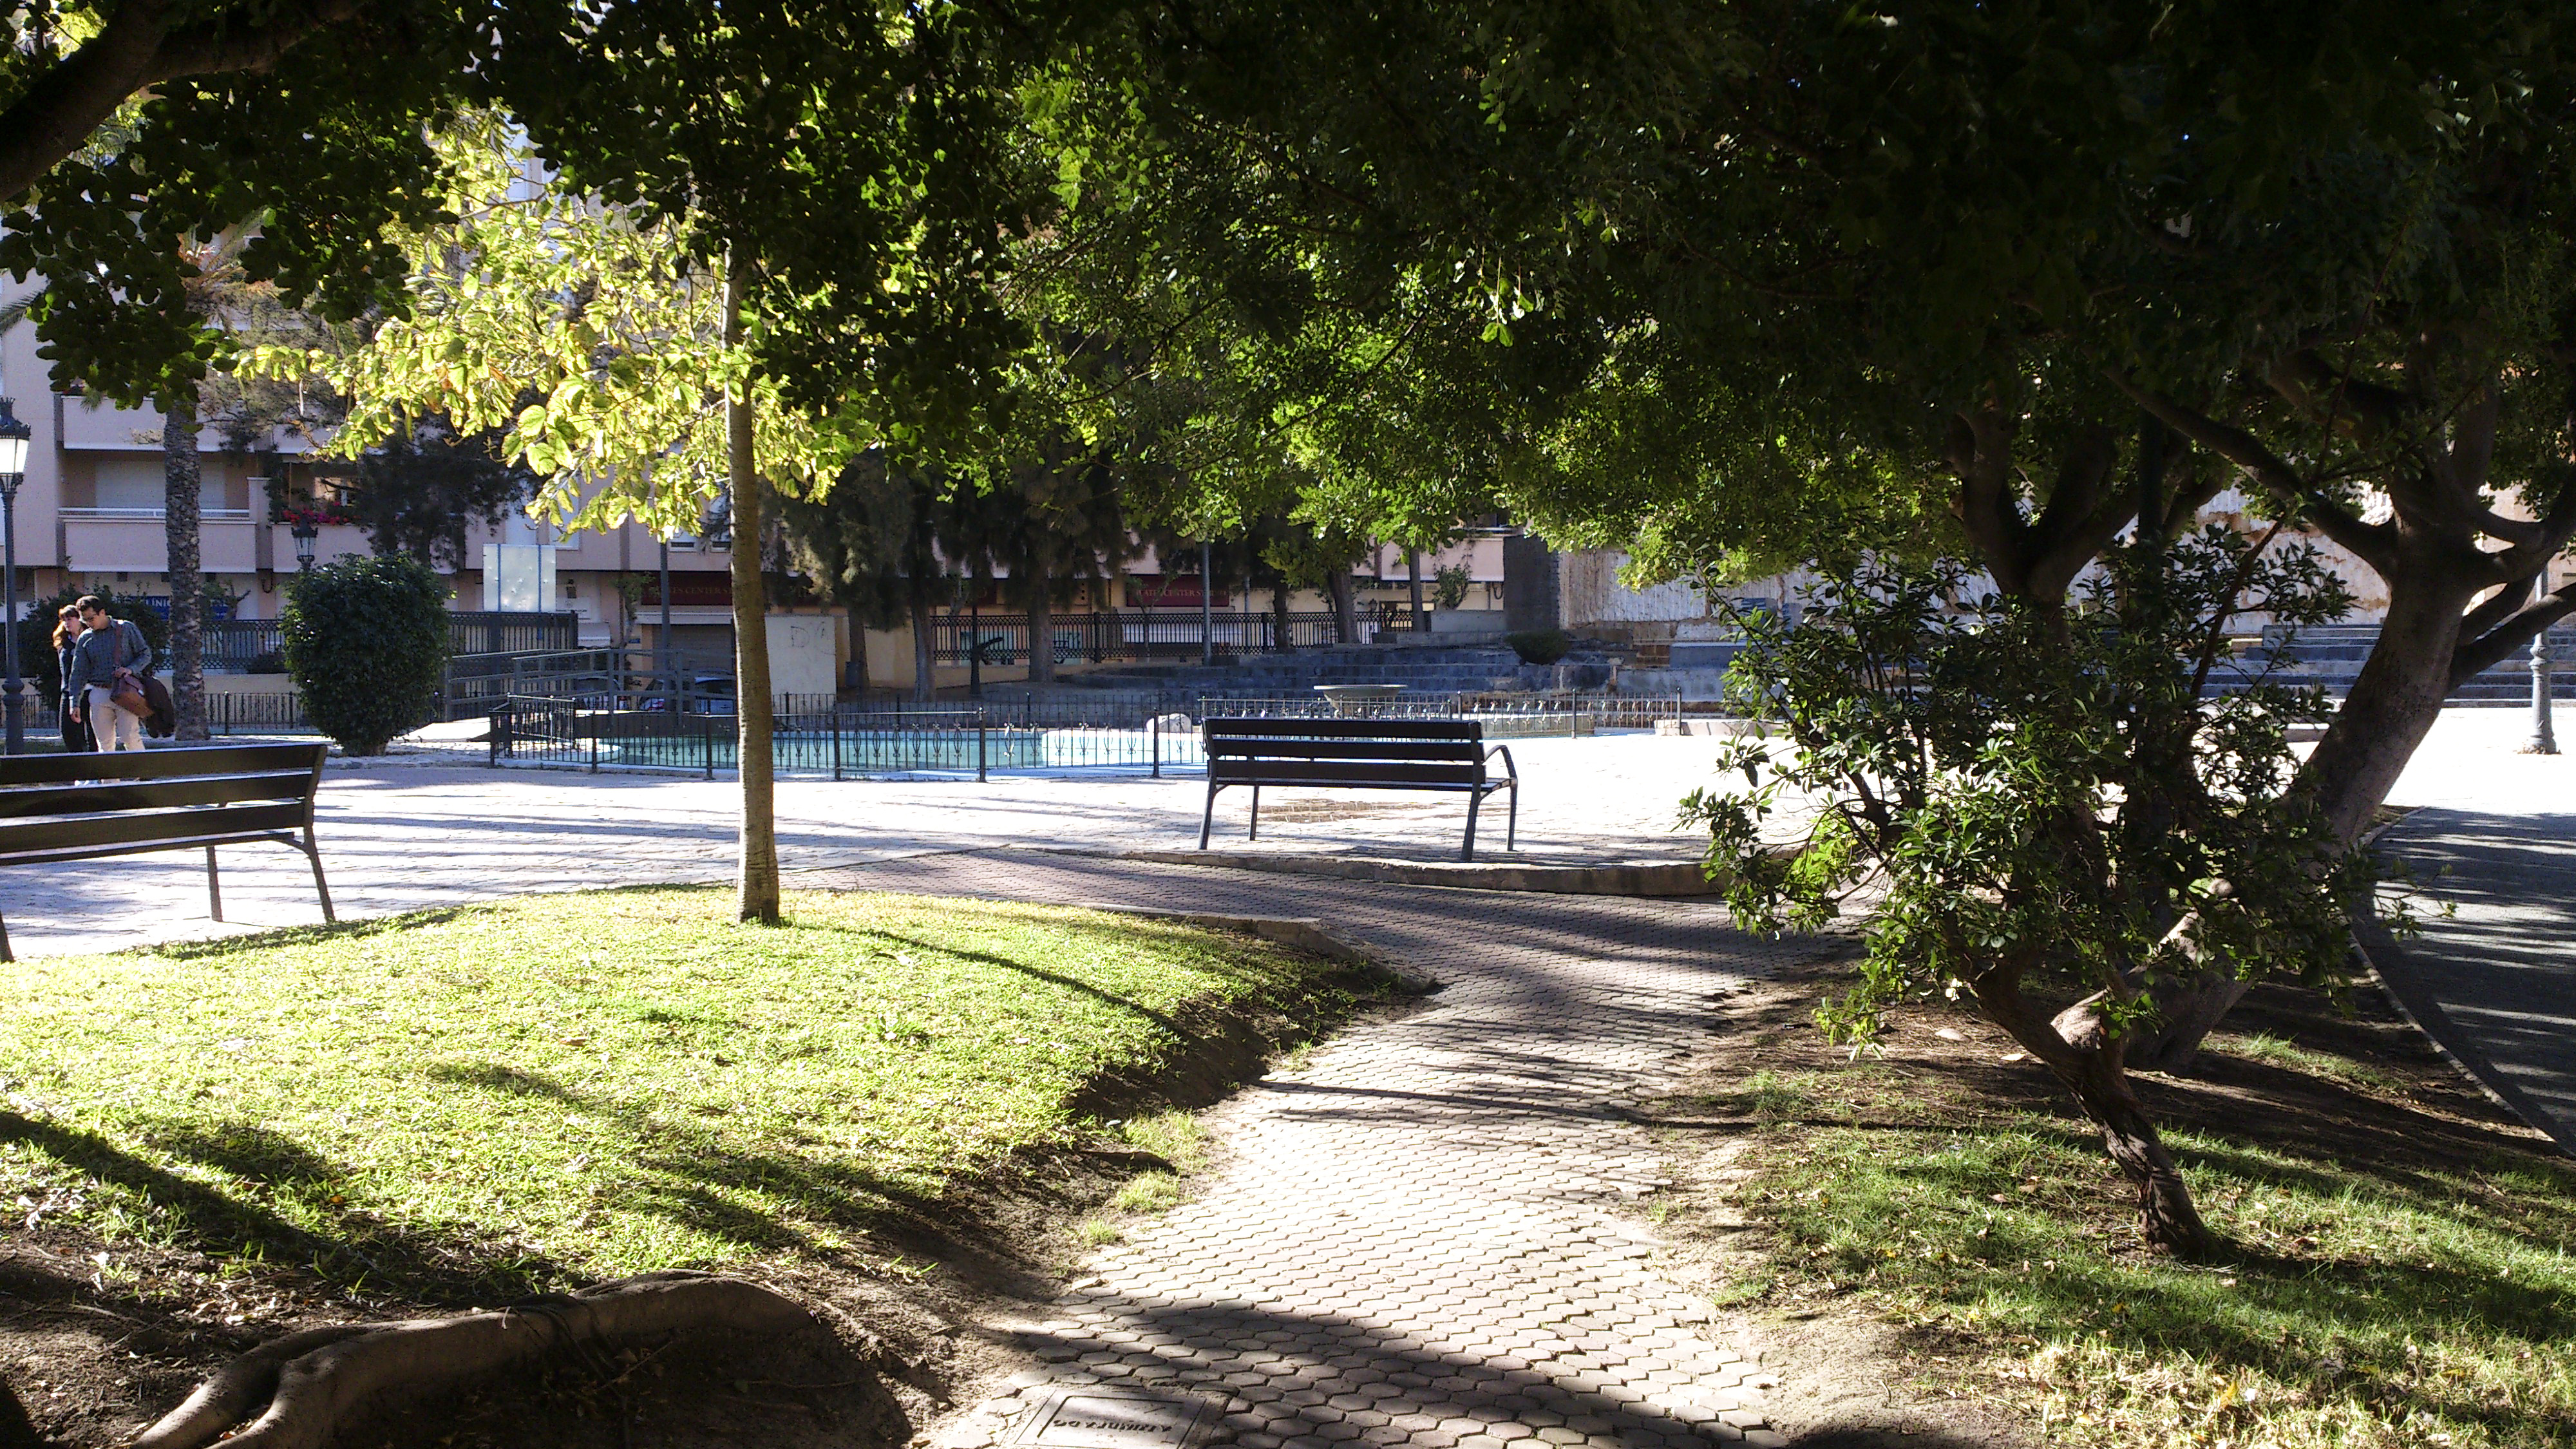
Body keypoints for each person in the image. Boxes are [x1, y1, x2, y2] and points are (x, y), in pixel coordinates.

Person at [64, 596, 152, 753]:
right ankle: (110, 779)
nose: (89, 623)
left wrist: (130, 669)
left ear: (103, 612)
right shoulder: (86, 637)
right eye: (85, 620)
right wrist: (74, 702)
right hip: (99, 692)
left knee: (130, 736)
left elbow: (145, 654)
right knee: (104, 744)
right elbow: (78, 672)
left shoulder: (125, 628)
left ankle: (142, 775)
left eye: (91, 618)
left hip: (125, 691)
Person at [51, 605, 93, 753]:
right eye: (64, 620)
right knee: (67, 731)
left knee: (92, 732)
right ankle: (79, 764)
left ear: (79, 619)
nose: (66, 623)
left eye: (70, 619)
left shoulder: (90, 638)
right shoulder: (63, 642)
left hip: (89, 691)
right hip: (68, 692)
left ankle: (95, 768)